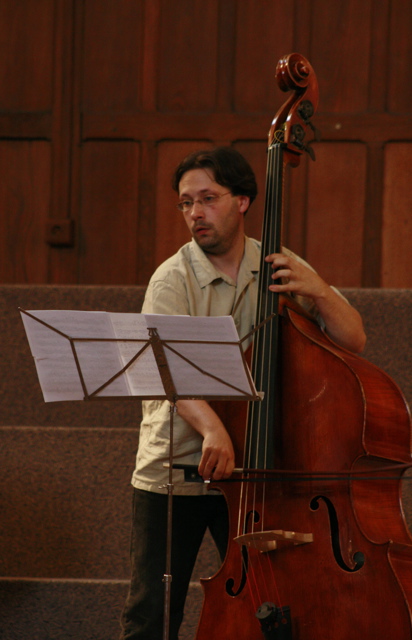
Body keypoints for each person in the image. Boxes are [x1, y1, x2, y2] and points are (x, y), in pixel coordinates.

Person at [119, 146, 366, 640]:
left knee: (271, 603)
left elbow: (353, 339)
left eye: (208, 198)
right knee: (152, 611)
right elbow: (166, 372)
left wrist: (317, 289)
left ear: (244, 201)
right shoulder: (172, 279)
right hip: (182, 468)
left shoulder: (279, 262)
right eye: (186, 202)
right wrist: (214, 428)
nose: (195, 213)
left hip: (259, 468)